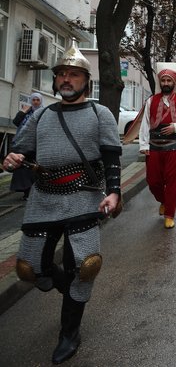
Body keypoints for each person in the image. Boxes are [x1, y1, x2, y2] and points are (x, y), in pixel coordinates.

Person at [4, 40, 121, 363]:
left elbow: (112, 156)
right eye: (61, 75)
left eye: (73, 75)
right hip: (43, 198)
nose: (66, 80)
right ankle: (65, 284)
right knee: (30, 268)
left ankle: (69, 332)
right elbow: (20, 150)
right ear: (56, 81)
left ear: (86, 81)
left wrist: (114, 192)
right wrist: (12, 158)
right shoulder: (40, 117)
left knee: (84, 267)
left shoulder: (100, 114)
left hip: (84, 198)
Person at [124, 62, 176, 229]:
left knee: (173, 183)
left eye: (169, 81)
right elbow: (145, 124)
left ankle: (169, 213)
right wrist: (143, 145)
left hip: (175, 147)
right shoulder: (151, 101)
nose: (166, 83)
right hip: (154, 147)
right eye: (163, 81)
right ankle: (163, 201)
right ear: (160, 82)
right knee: (153, 181)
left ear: (174, 82)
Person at [10, 92, 44, 199]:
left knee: (35, 169)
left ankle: (36, 190)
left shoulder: (44, 112)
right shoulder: (26, 111)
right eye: (33, 100)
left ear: (41, 101)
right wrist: (23, 111)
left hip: (38, 144)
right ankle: (26, 191)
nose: (35, 102)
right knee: (23, 168)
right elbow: (16, 122)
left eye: (38, 100)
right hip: (23, 143)